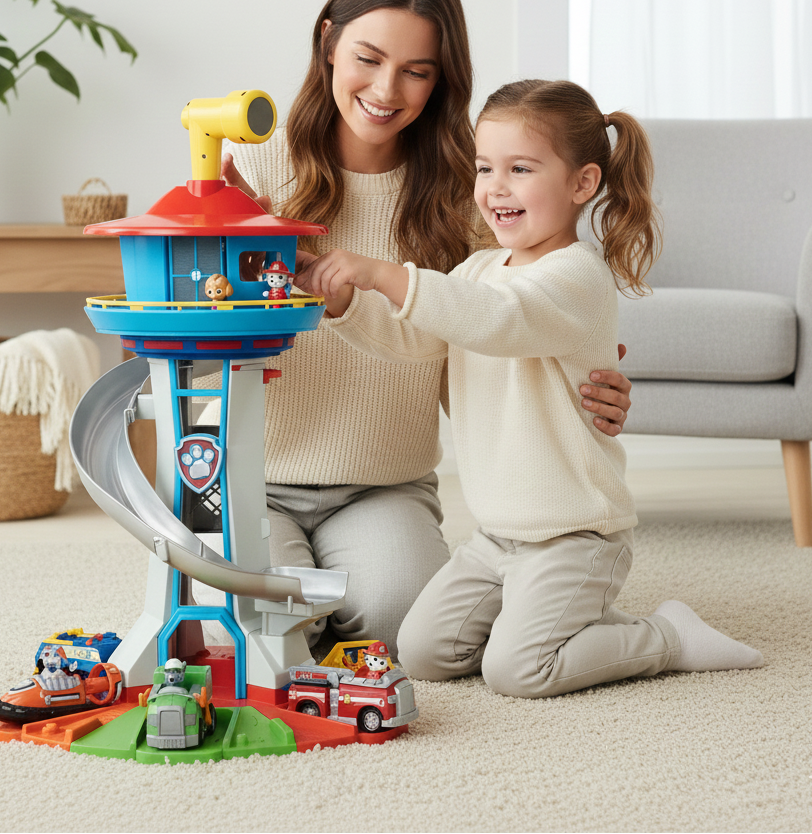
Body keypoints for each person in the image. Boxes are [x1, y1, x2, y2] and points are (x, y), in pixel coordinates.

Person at [216, 0, 632, 658]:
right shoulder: (251, 168)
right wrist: (228, 248)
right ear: (328, 42)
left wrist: (585, 373)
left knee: (400, 629)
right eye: (368, 58)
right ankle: (296, 601)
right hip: (253, 476)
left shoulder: (473, 191)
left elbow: (510, 316)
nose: (386, 90)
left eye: (417, 70)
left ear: (442, 79)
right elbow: (191, 325)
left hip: (384, 484)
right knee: (261, 636)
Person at [295, 79, 764, 697]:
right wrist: (344, 303)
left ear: (582, 183)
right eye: (485, 168)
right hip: (496, 537)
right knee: (424, 651)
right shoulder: (480, 269)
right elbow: (417, 340)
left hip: (573, 534)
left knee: (517, 672)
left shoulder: (577, 276)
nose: (495, 187)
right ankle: (552, 620)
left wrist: (385, 274)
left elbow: (501, 319)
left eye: (520, 169)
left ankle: (667, 636)